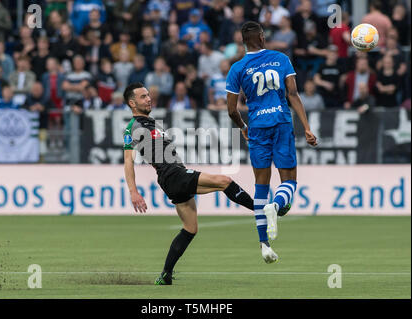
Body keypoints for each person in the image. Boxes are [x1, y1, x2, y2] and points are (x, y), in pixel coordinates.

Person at [122, 82, 255, 285]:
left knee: (190, 228)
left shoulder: (150, 123)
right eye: (143, 97)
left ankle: (165, 274)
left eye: (148, 95)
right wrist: (133, 191)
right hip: (173, 175)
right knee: (224, 181)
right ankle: (261, 210)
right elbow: (128, 160)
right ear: (132, 103)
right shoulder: (134, 127)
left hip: (172, 177)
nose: (148, 98)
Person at [226, 21, 317, 263]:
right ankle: (276, 207)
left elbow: (231, 110)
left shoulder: (237, 68)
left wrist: (243, 128)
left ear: (244, 42)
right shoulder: (280, 58)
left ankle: (264, 245)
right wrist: (306, 128)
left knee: (261, 186)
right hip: (281, 123)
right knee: (289, 181)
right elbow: (293, 94)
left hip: (257, 127)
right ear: (263, 38)